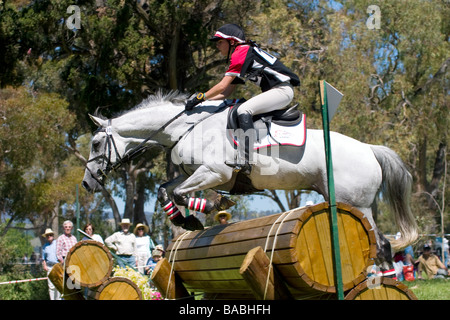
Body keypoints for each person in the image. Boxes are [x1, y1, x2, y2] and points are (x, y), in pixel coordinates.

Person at [185, 24, 300, 175]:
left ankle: (246, 158)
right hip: (278, 91)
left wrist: (201, 96)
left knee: (244, 109)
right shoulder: (242, 53)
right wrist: (204, 102)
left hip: (282, 91)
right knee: (241, 108)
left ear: (232, 42)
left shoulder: (241, 52)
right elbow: (226, 92)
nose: (217, 46)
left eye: (220, 42)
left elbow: (221, 86)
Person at [41, 228, 61, 300]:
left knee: (58, 284)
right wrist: (44, 265)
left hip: (57, 266)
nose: (49, 236)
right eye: (47, 235)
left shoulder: (57, 243)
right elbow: (43, 258)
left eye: (50, 235)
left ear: (53, 235)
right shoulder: (45, 247)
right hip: (49, 267)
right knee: (51, 286)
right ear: (46, 237)